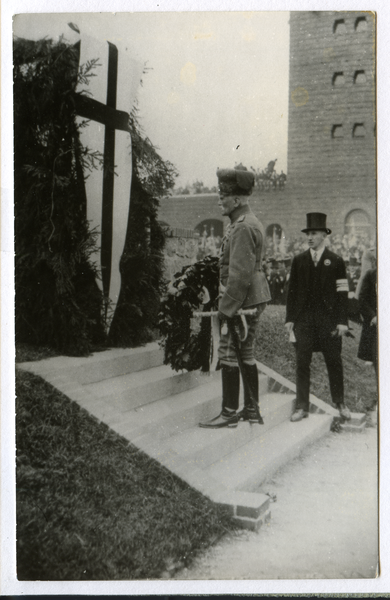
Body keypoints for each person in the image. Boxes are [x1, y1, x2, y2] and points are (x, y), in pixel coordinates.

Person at [199, 167, 271, 428]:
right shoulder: (247, 221)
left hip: (242, 301)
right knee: (246, 351)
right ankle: (251, 409)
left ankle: (229, 413)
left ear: (238, 199)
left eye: (224, 196)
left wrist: (226, 309)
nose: (220, 200)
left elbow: (239, 274)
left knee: (228, 351)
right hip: (251, 298)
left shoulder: (241, 227)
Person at [285, 213, 351, 422]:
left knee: (334, 361)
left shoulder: (337, 261)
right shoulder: (299, 261)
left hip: (328, 321)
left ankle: (340, 402)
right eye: (308, 234)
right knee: (302, 362)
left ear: (324, 235)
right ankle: (302, 406)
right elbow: (292, 293)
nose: (310, 237)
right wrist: (290, 319)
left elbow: (342, 294)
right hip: (304, 321)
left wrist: (342, 322)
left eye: (314, 233)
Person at [357, 266, 378, 403]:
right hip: (375, 325)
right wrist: (373, 316)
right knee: (378, 360)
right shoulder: (371, 275)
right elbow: (362, 299)